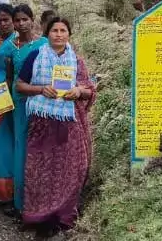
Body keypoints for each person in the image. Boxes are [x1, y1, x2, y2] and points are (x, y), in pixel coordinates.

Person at [16, 16, 96, 234]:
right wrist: (41, 89)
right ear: (46, 33)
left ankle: (63, 215)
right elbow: (20, 85)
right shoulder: (36, 56)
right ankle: (40, 216)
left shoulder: (76, 61)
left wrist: (78, 91)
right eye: (54, 31)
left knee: (73, 167)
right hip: (42, 124)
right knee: (40, 168)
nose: (59, 35)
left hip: (69, 124)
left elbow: (89, 90)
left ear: (69, 34)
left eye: (63, 31)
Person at [0, 4, 47, 215]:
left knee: (40, 146)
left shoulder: (44, 44)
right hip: (19, 102)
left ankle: (43, 197)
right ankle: (22, 201)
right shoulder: (10, 48)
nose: (21, 24)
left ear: (32, 20)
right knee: (21, 145)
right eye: (17, 20)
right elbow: (6, 74)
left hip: (42, 100)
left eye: (25, 19)